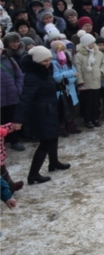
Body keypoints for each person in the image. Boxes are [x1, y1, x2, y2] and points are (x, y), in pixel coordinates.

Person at [12, 46, 71, 184]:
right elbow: (25, 98)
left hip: (50, 109)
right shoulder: (32, 76)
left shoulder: (44, 71)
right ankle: (33, 175)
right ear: (37, 61)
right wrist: (18, 120)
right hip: (41, 112)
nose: (48, 63)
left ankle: (54, 162)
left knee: (53, 137)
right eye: (45, 61)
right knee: (45, 142)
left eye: (49, 60)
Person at [74, 33, 104, 128]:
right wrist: (80, 81)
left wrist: (101, 71)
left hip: (96, 81)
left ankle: (95, 118)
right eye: (91, 43)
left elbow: (103, 63)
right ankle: (88, 120)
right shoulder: (79, 55)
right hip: (86, 83)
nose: (93, 44)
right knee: (87, 103)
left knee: (96, 102)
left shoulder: (98, 53)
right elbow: (77, 69)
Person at [0, 39, 25, 151]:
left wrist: (18, 89)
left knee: (12, 119)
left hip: (11, 96)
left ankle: (14, 140)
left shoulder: (9, 60)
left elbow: (19, 75)